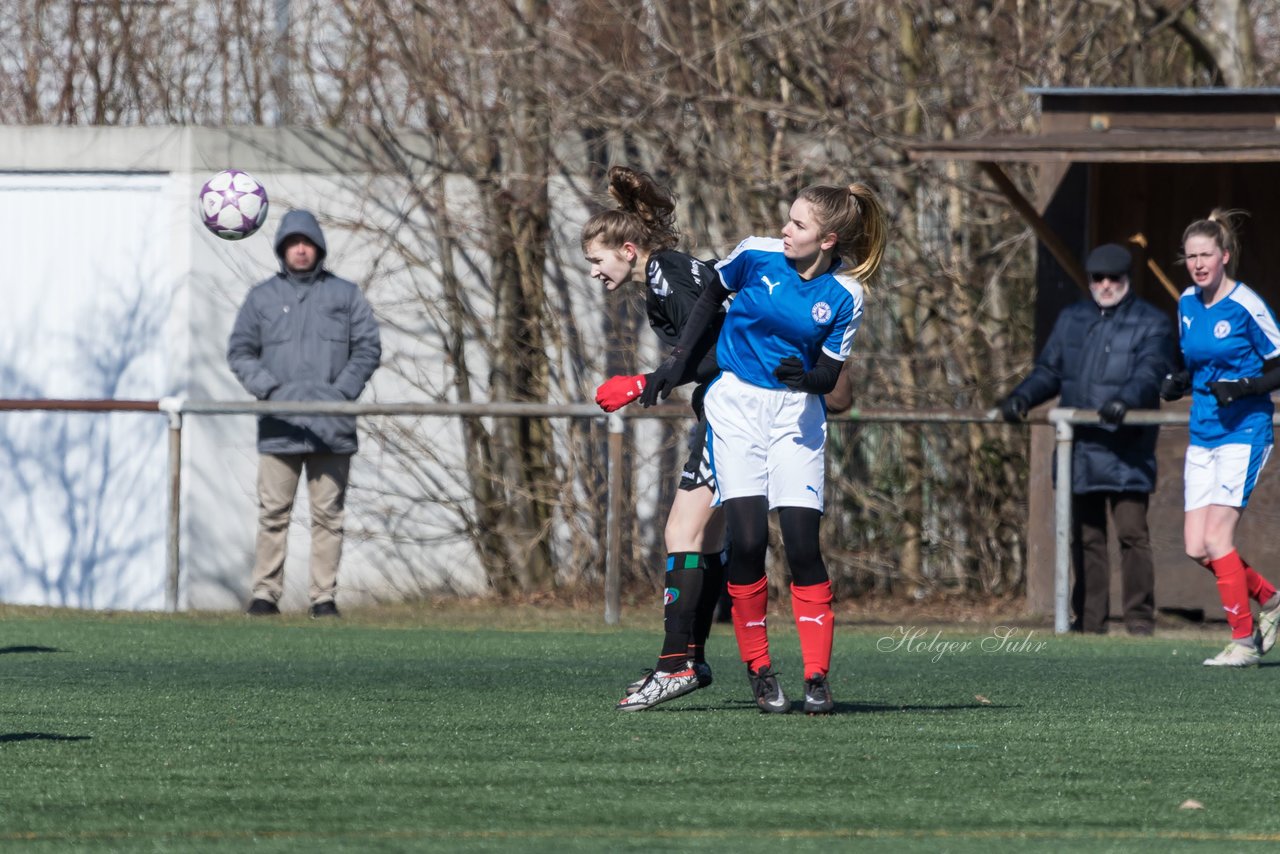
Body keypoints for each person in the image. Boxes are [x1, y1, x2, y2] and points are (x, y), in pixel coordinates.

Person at [641, 182, 887, 715]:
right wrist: (673, 367)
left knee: (802, 547)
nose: (785, 230)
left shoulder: (846, 295)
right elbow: (709, 300)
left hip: (796, 415)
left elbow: (829, 376)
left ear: (828, 239)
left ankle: (817, 678)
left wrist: (808, 376)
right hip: (736, 406)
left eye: (798, 225)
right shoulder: (756, 254)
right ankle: (760, 670)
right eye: (788, 220)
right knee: (748, 542)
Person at [581, 166, 728, 711]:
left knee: (680, 532)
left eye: (597, 261)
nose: (594, 273)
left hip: (734, 412)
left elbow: (713, 350)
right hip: (727, 410)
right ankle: (689, 657)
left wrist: (646, 380)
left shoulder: (665, 270)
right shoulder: (663, 276)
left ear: (626, 248)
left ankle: (676, 665)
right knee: (705, 540)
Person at [999, 243, 1176, 636]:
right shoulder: (1072, 318)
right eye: (1099, 278)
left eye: (1115, 278)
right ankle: (1090, 623)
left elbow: (1152, 370)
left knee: (1132, 534)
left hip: (1128, 446)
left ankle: (1139, 623)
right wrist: (1022, 397)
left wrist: (1124, 400)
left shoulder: (1152, 321)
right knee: (1086, 539)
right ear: (1090, 279)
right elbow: (1049, 370)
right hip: (1080, 448)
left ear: (1127, 279)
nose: (1107, 285)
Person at [227, 209, 382, 618]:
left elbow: (368, 347)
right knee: (273, 514)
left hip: (333, 429)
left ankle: (323, 598)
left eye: (307, 243)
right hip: (280, 427)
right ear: (282, 249)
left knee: (328, 516)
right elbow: (240, 351)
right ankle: (264, 595)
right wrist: (270, 390)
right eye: (293, 243)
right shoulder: (261, 298)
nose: (300, 250)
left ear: (319, 248)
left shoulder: (346, 295)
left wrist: (341, 393)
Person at [1159, 209, 1280, 666]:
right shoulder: (1187, 303)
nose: (1197, 263)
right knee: (1195, 546)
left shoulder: (1247, 305)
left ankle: (1244, 642)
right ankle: (1271, 600)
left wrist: (1246, 388)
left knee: (1217, 538)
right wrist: (1179, 383)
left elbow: (1276, 365)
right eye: (1190, 256)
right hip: (1203, 432)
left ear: (1224, 256)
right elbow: (1199, 367)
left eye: (1205, 254)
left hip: (1244, 432)